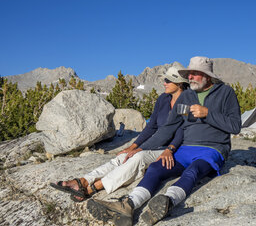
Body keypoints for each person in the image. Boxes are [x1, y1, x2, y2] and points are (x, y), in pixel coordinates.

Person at [87, 56, 241, 226]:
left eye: (195, 74)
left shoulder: (225, 93)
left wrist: (208, 113)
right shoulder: (187, 97)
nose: (189, 77)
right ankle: (128, 205)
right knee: (155, 167)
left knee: (193, 170)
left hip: (212, 150)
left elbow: (235, 126)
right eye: (188, 74)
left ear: (207, 76)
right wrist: (139, 149)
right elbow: (169, 127)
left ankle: (167, 202)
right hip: (185, 150)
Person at [50, 66, 189, 202]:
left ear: (180, 83)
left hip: (172, 149)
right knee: (124, 156)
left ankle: (91, 188)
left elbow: (183, 130)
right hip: (156, 144)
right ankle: (82, 181)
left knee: (138, 158)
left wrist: (170, 149)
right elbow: (151, 126)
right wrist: (133, 146)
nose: (164, 83)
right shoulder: (163, 99)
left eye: (168, 80)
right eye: (165, 79)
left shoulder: (186, 102)